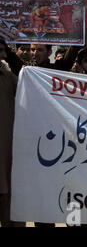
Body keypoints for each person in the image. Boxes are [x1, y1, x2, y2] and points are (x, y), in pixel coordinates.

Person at [0, 40, 25, 227]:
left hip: (6, 165)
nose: (3, 55)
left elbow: (29, 88)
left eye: (3, 51)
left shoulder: (8, 78)